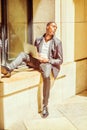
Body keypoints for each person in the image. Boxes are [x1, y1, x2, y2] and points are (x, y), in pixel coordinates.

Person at [1, 22, 63, 118]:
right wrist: (35, 55)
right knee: (23, 54)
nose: (55, 28)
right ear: (47, 27)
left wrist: (48, 60)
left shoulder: (57, 42)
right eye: (53, 26)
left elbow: (60, 60)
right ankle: (9, 69)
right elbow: (34, 51)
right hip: (37, 61)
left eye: (56, 27)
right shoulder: (38, 39)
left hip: (46, 63)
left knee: (46, 77)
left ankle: (45, 106)